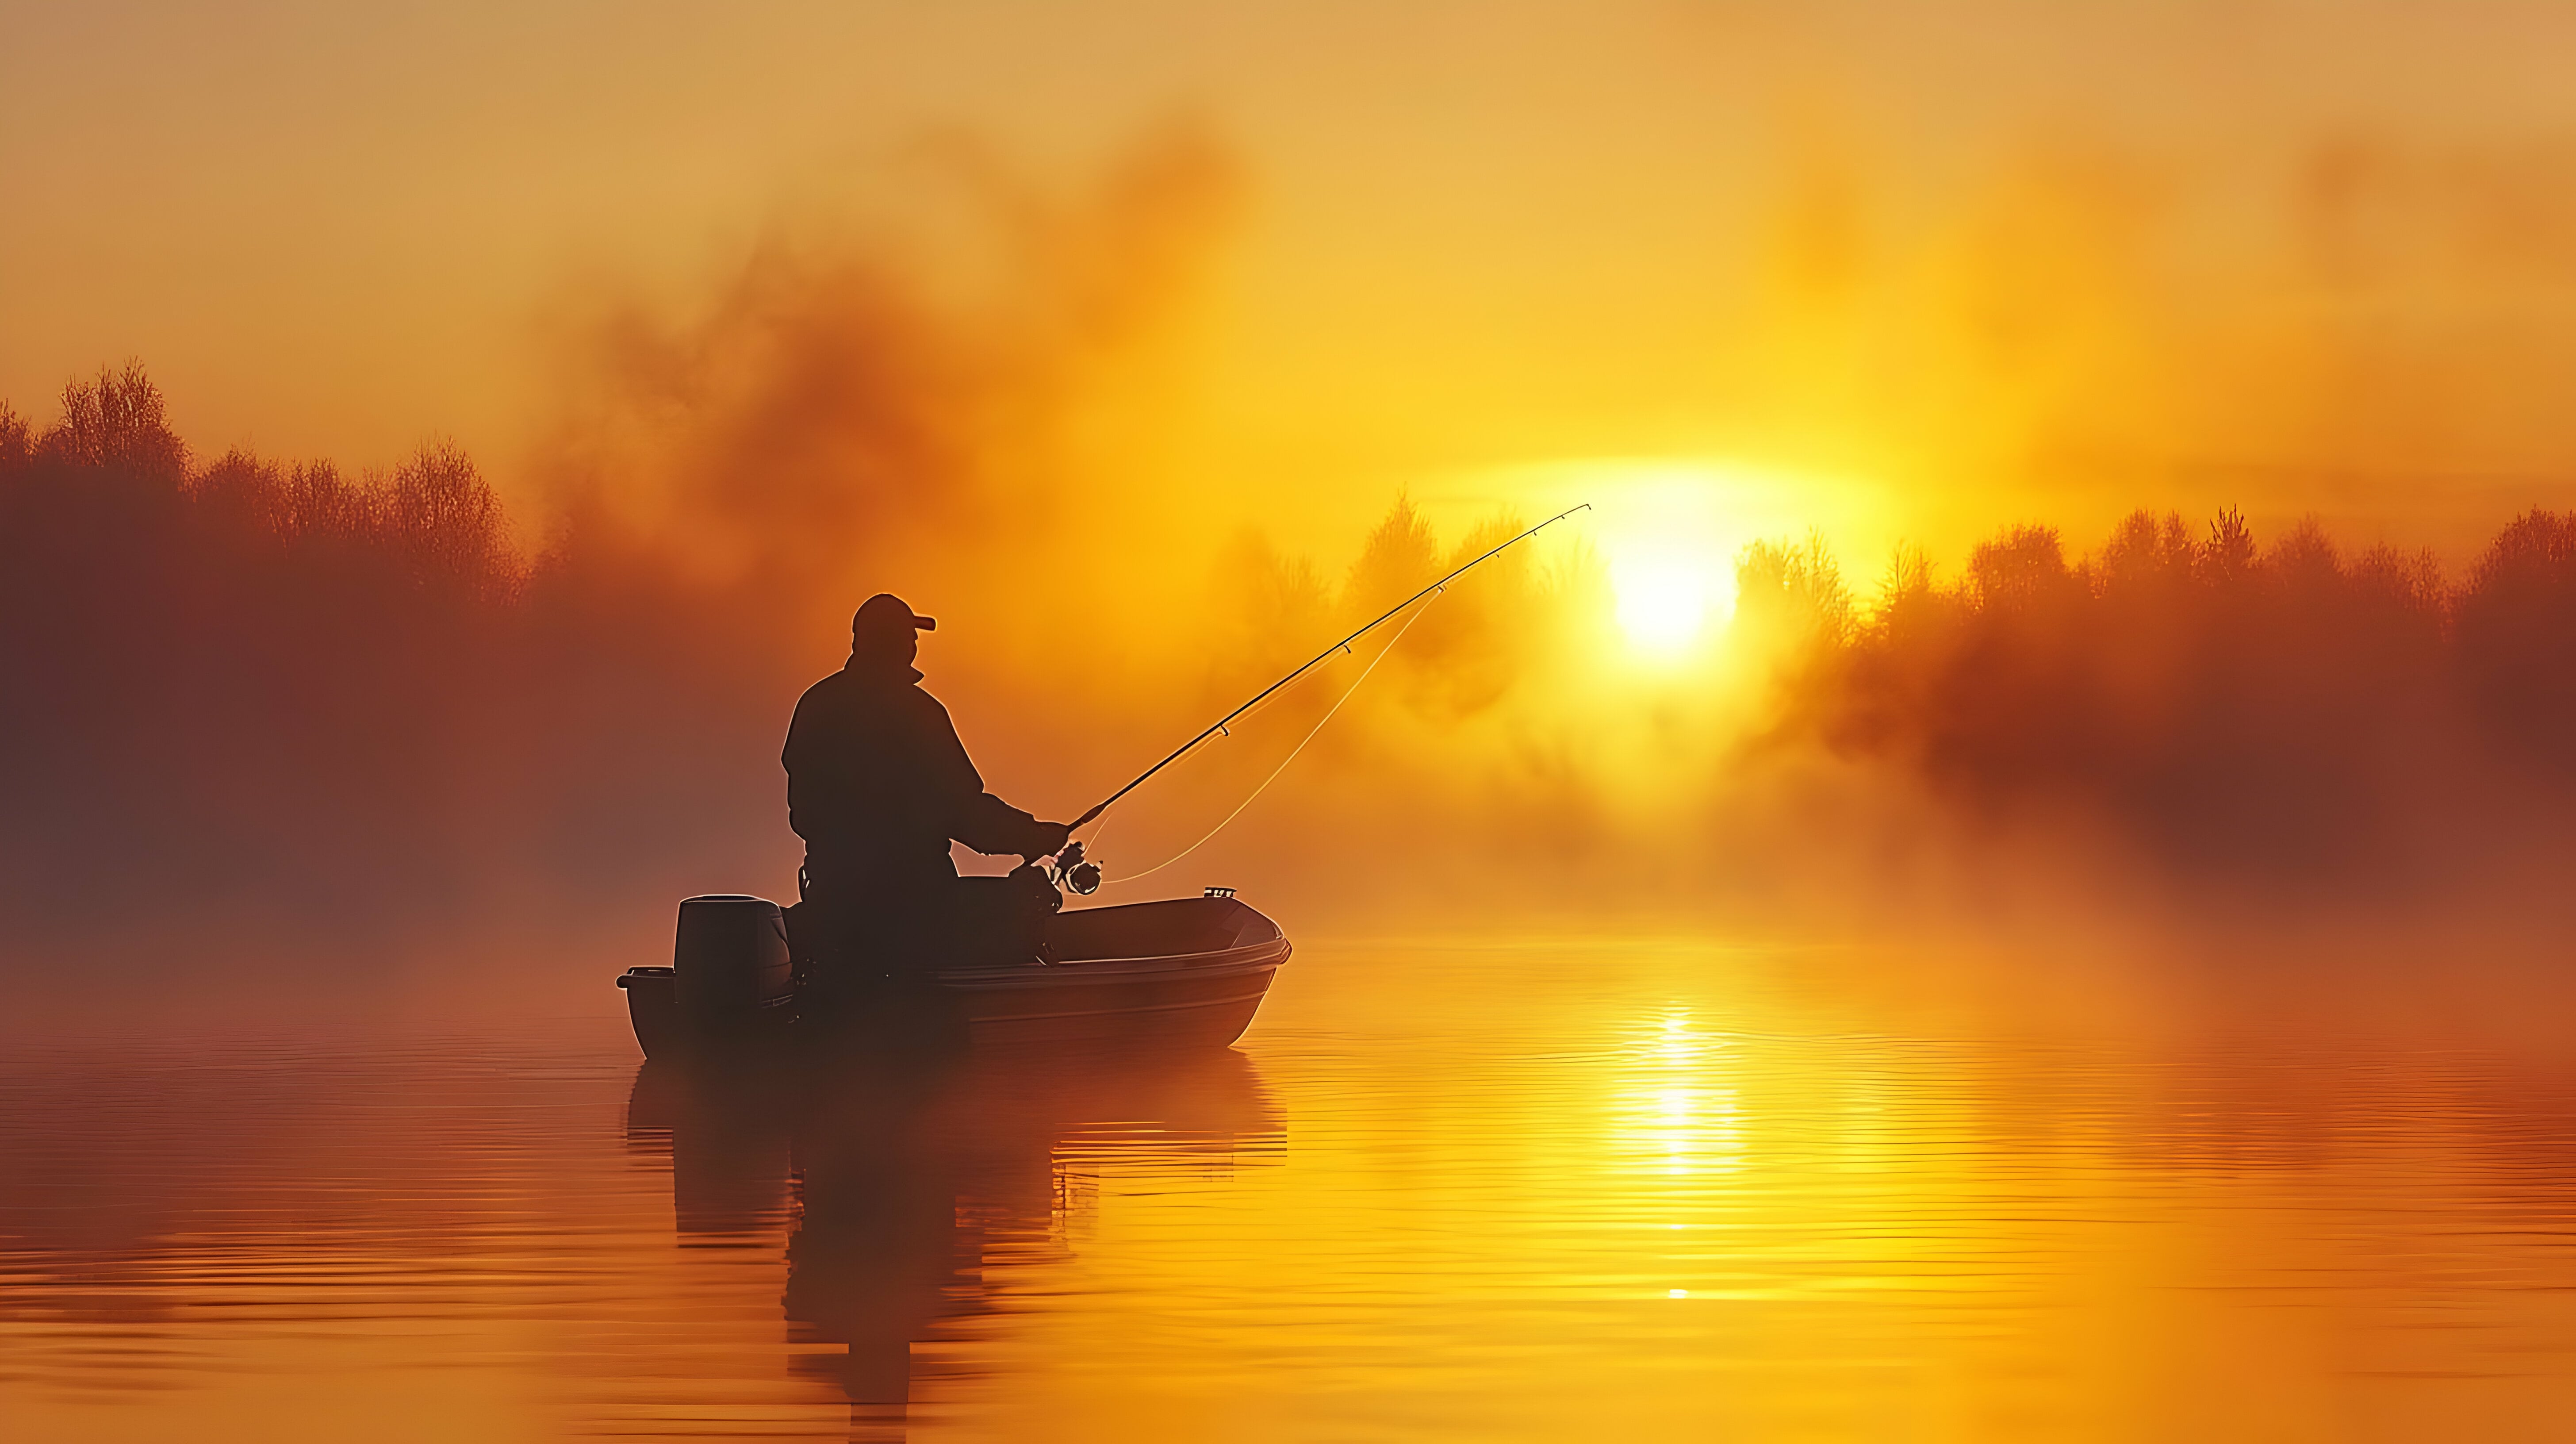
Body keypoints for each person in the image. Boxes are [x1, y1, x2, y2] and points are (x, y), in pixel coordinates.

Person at [782, 594, 1070, 999]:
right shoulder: (918, 714)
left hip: (833, 902)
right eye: (909, 637)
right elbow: (965, 810)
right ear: (897, 643)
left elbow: (803, 815)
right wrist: (1034, 836)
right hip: (917, 906)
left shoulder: (816, 705)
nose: (915, 646)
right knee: (1025, 903)